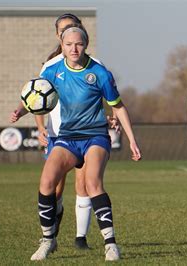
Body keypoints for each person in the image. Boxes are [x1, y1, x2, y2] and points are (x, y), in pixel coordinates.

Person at [10, 23, 141, 261]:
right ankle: (48, 240)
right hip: (67, 138)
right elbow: (35, 93)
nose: (74, 48)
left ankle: (110, 244)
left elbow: (118, 107)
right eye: (69, 44)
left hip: (95, 136)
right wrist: (21, 110)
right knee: (47, 181)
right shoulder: (53, 70)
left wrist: (132, 140)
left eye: (78, 44)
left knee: (92, 184)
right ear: (62, 45)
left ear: (86, 45)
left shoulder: (100, 73)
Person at [35, 13, 119, 249]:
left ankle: (81, 238)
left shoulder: (96, 65)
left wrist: (110, 117)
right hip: (57, 134)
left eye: (74, 29)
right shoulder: (50, 66)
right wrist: (40, 126)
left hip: (88, 133)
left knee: (85, 183)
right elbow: (36, 97)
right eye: (65, 30)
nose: (70, 34)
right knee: (54, 186)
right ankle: (51, 234)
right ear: (58, 36)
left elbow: (103, 96)